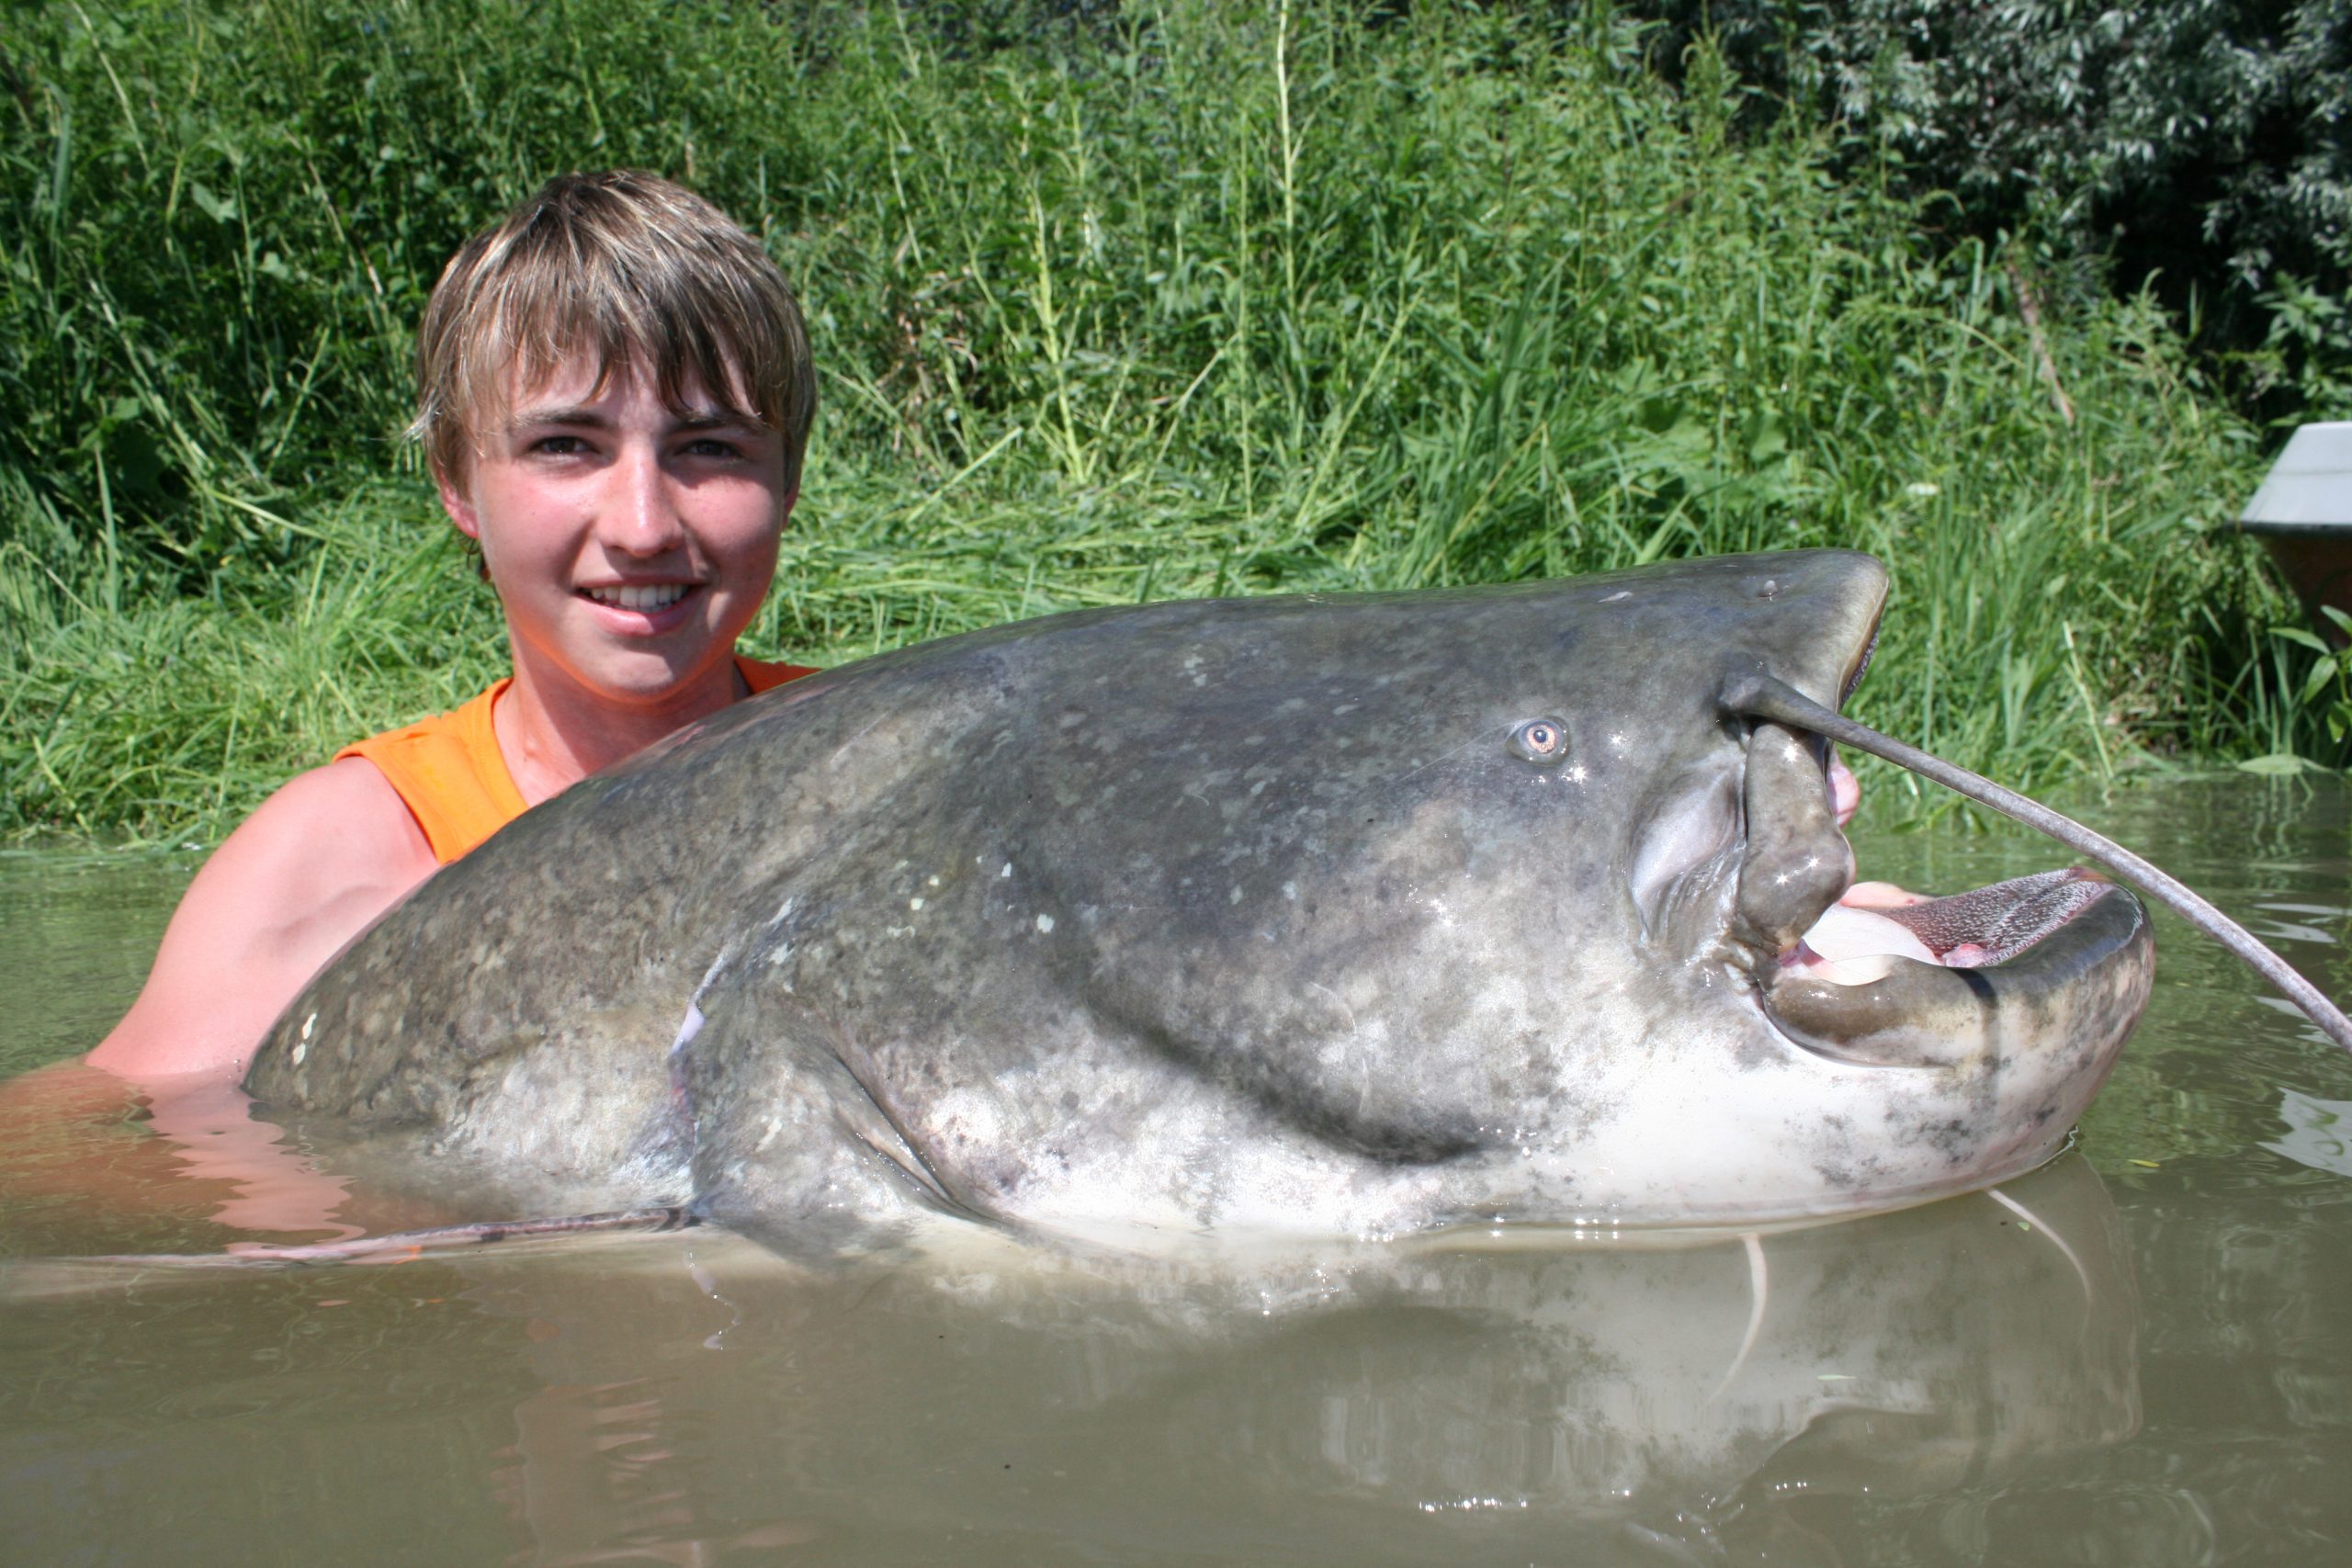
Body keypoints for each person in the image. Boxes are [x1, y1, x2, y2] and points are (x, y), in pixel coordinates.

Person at [85, 170, 818, 1094]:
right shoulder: (333, 869)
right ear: (454, 480)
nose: (643, 525)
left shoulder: (902, 761)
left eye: (709, 447)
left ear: (786, 480)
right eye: (566, 445)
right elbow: (97, 1152)